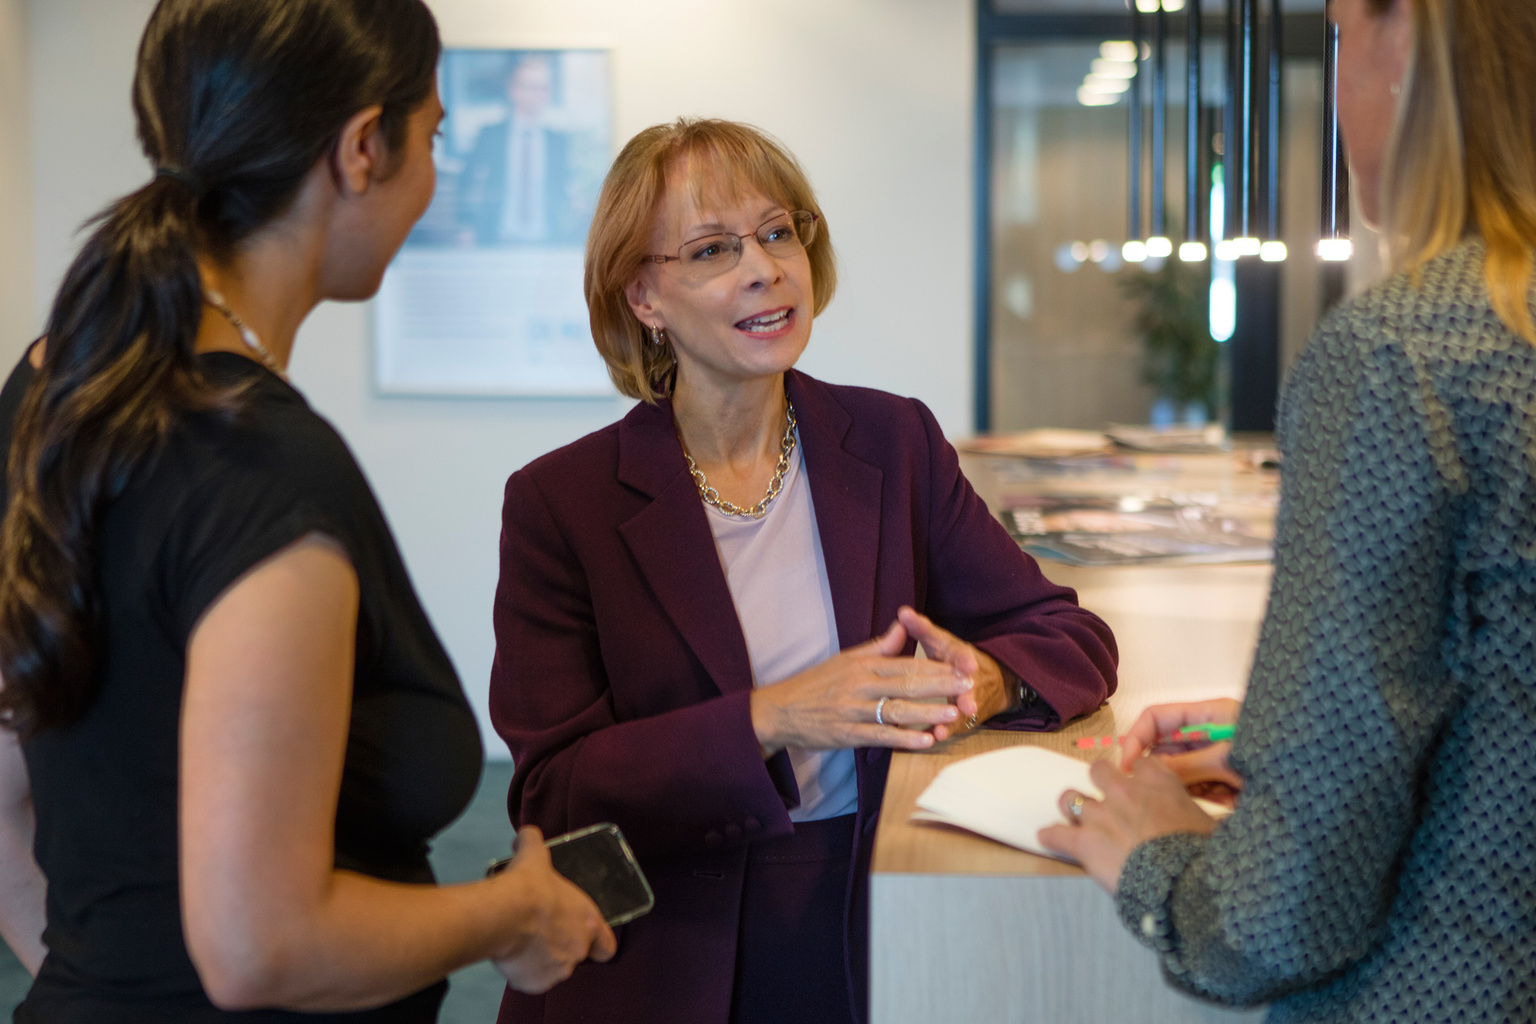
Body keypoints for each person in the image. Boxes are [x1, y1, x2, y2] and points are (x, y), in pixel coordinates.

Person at [0, 1, 615, 1020]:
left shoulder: (49, 391)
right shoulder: (265, 468)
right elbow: (260, 946)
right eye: (434, 139)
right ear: (364, 147)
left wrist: (102, 984)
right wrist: (511, 912)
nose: (431, 180)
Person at [487, 117, 1120, 1024]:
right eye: (712, 249)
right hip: (663, 931)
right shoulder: (562, 502)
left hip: (868, 894)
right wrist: (774, 717)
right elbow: (553, 793)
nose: (763, 268)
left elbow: (1067, 636)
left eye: (778, 232)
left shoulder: (893, 441)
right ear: (644, 299)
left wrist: (985, 680)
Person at [1040, 0, 1536, 1018]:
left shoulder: (1405, 358)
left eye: (1343, 35)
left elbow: (1275, 919)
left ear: (1410, 46)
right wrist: (1292, 728)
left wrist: (1160, 866)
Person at [456, 55, 586, 246]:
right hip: (497, 239)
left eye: (543, 88)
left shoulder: (558, 141)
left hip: (548, 242)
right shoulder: (490, 136)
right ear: (513, 90)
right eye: (530, 86)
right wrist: (466, 226)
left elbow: (565, 188)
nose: (537, 94)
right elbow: (468, 182)